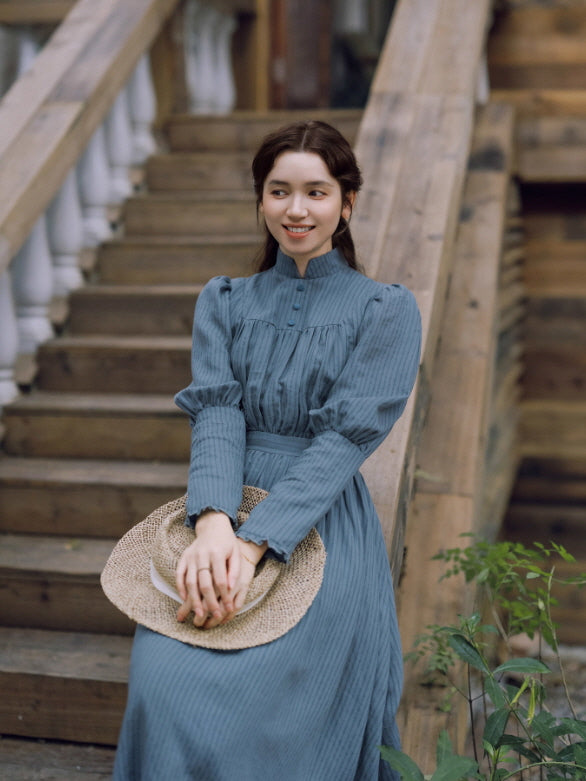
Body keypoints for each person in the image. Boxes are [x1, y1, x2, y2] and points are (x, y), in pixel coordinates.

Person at [112, 120, 421, 780]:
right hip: (223, 507)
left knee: (282, 716)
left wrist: (257, 543)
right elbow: (218, 412)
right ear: (261, 200)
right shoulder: (224, 300)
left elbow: (345, 439)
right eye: (279, 191)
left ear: (347, 202)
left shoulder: (385, 310)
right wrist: (215, 524)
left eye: (316, 191)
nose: (297, 209)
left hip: (320, 523)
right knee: (161, 682)